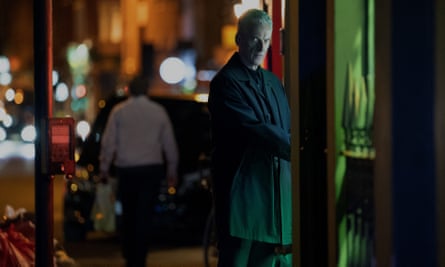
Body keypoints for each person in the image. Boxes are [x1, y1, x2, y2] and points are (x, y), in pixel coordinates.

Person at [208, 9, 292, 267]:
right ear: (239, 39)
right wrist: (295, 148)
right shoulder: (226, 82)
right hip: (242, 196)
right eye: (255, 39)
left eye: (266, 41)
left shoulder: (272, 82)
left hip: (272, 194)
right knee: (238, 259)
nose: (261, 46)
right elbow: (253, 129)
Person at [99, 76, 179, 267]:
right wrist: (172, 170)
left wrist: (104, 168)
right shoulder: (159, 112)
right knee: (145, 214)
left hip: (126, 170)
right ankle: (140, 255)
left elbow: (109, 142)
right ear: (147, 90)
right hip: (151, 169)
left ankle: (129, 253)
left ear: (129, 90)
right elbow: (169, 144)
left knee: (128, 212)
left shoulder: (119, 112)